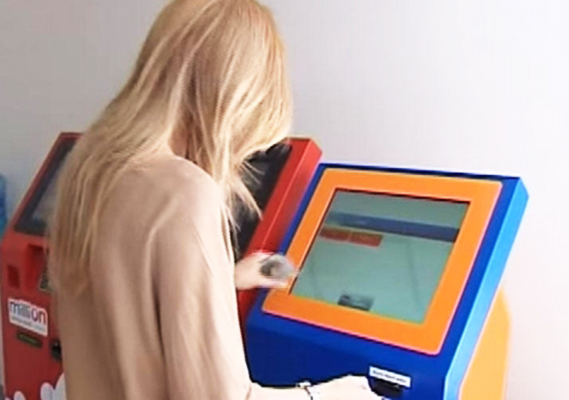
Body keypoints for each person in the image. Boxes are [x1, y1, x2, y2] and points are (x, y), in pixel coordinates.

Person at [48, 0, 382, 399]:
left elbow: (125, 301)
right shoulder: (184, 191)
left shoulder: (89, 167)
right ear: (231, 104)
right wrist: (333, 395)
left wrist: (223, 279)